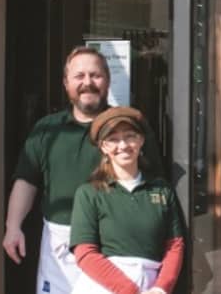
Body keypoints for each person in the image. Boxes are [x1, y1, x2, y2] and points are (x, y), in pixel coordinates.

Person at [2, 46, 112, 294]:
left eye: (95, 75)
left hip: (112, 245)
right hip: (59, 247)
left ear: (107, 80)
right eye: (79, 76)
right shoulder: (47, 129)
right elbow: (26, 181)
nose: (87, 83)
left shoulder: (125, 128)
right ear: (66, 83)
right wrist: (13, 227)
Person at [69, 107, 184, 294]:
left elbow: (174, 245)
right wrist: (129, 290)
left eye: (130, 136)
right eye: (113, 139)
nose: (122, 145)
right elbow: (85, 253)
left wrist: (161, 288)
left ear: (141, 141)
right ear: (103, 147)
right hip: (103, 287)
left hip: (150, 287)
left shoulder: (162, 190)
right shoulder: (89, 193)